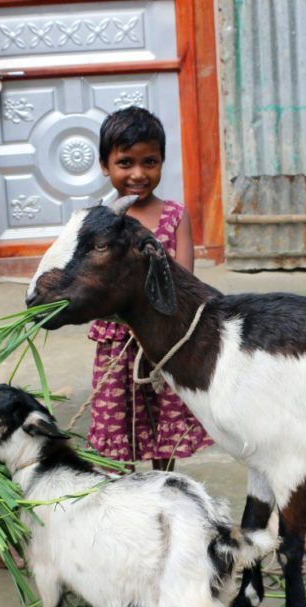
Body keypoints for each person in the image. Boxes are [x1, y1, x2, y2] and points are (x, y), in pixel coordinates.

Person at [87, 106, 213, 471]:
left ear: (162, 162)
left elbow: (184, 281)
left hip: (163, 339)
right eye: (125, 162)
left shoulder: (175, 216)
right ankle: (123, 492)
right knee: (117, 421)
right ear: (104, 165)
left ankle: (165, 484)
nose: (138, 174)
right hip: (116, 341)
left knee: (164, 417)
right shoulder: (99, 220)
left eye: (150, 161)